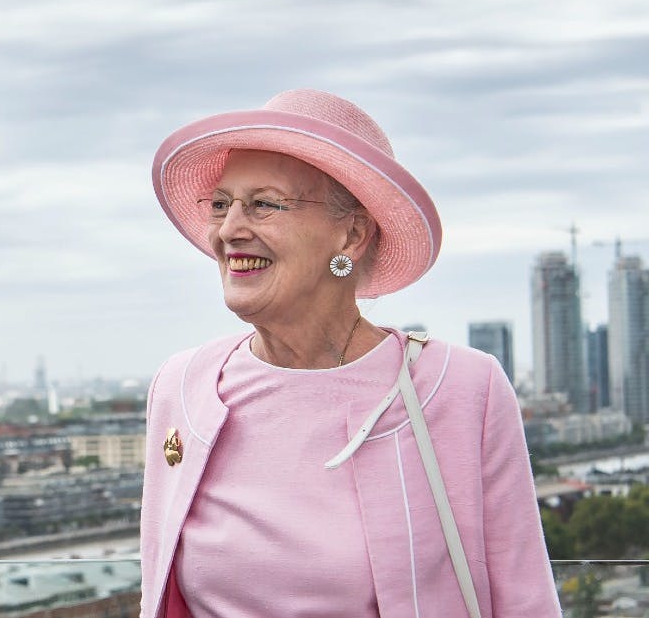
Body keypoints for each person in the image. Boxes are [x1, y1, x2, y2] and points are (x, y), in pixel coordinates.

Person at [139, 89, 560, 617]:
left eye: (264, 204)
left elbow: (527, 602)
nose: (229, 230)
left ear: (352, 233)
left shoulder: (463, 388)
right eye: (221, 204)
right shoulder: (181, 387)